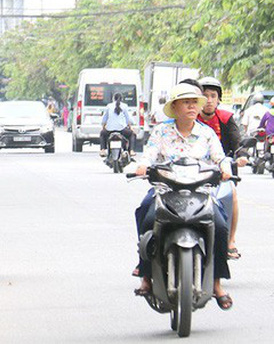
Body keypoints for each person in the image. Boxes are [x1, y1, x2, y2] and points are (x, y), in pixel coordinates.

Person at [133, 82, 234, 310]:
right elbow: (148, 153)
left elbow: (220, 157)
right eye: (186, 103)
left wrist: (226, 168)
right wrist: (142, 165)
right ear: (175, 107)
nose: (191, 107)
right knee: (145, 215)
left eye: (194, 103)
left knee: (219, 224)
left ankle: (217, 283)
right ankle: (146, 275)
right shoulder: (161, 131)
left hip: (201, 192)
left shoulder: (206, 134)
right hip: (166, 191)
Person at [197, 76, 247, 260]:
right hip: (193, 170)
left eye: (213, 96)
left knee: (231, 195)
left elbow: (238, 141)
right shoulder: (189, 118)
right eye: (205, 96)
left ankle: (230, 240)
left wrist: (241, 156)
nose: (209, 100)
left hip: (221, 171)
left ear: (219, 99)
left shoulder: (226, 118)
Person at [99, 93, 137, 157]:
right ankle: (131, 151)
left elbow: (104, 119)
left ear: (113, 99)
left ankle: (102, 150)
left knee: (102, 133)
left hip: (109, 130)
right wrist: (131, 127)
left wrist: (103, 127)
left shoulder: (109, 106)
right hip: (122, 130)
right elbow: (129, 119)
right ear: (122, 99)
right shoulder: (125, 106)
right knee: (132, 134)